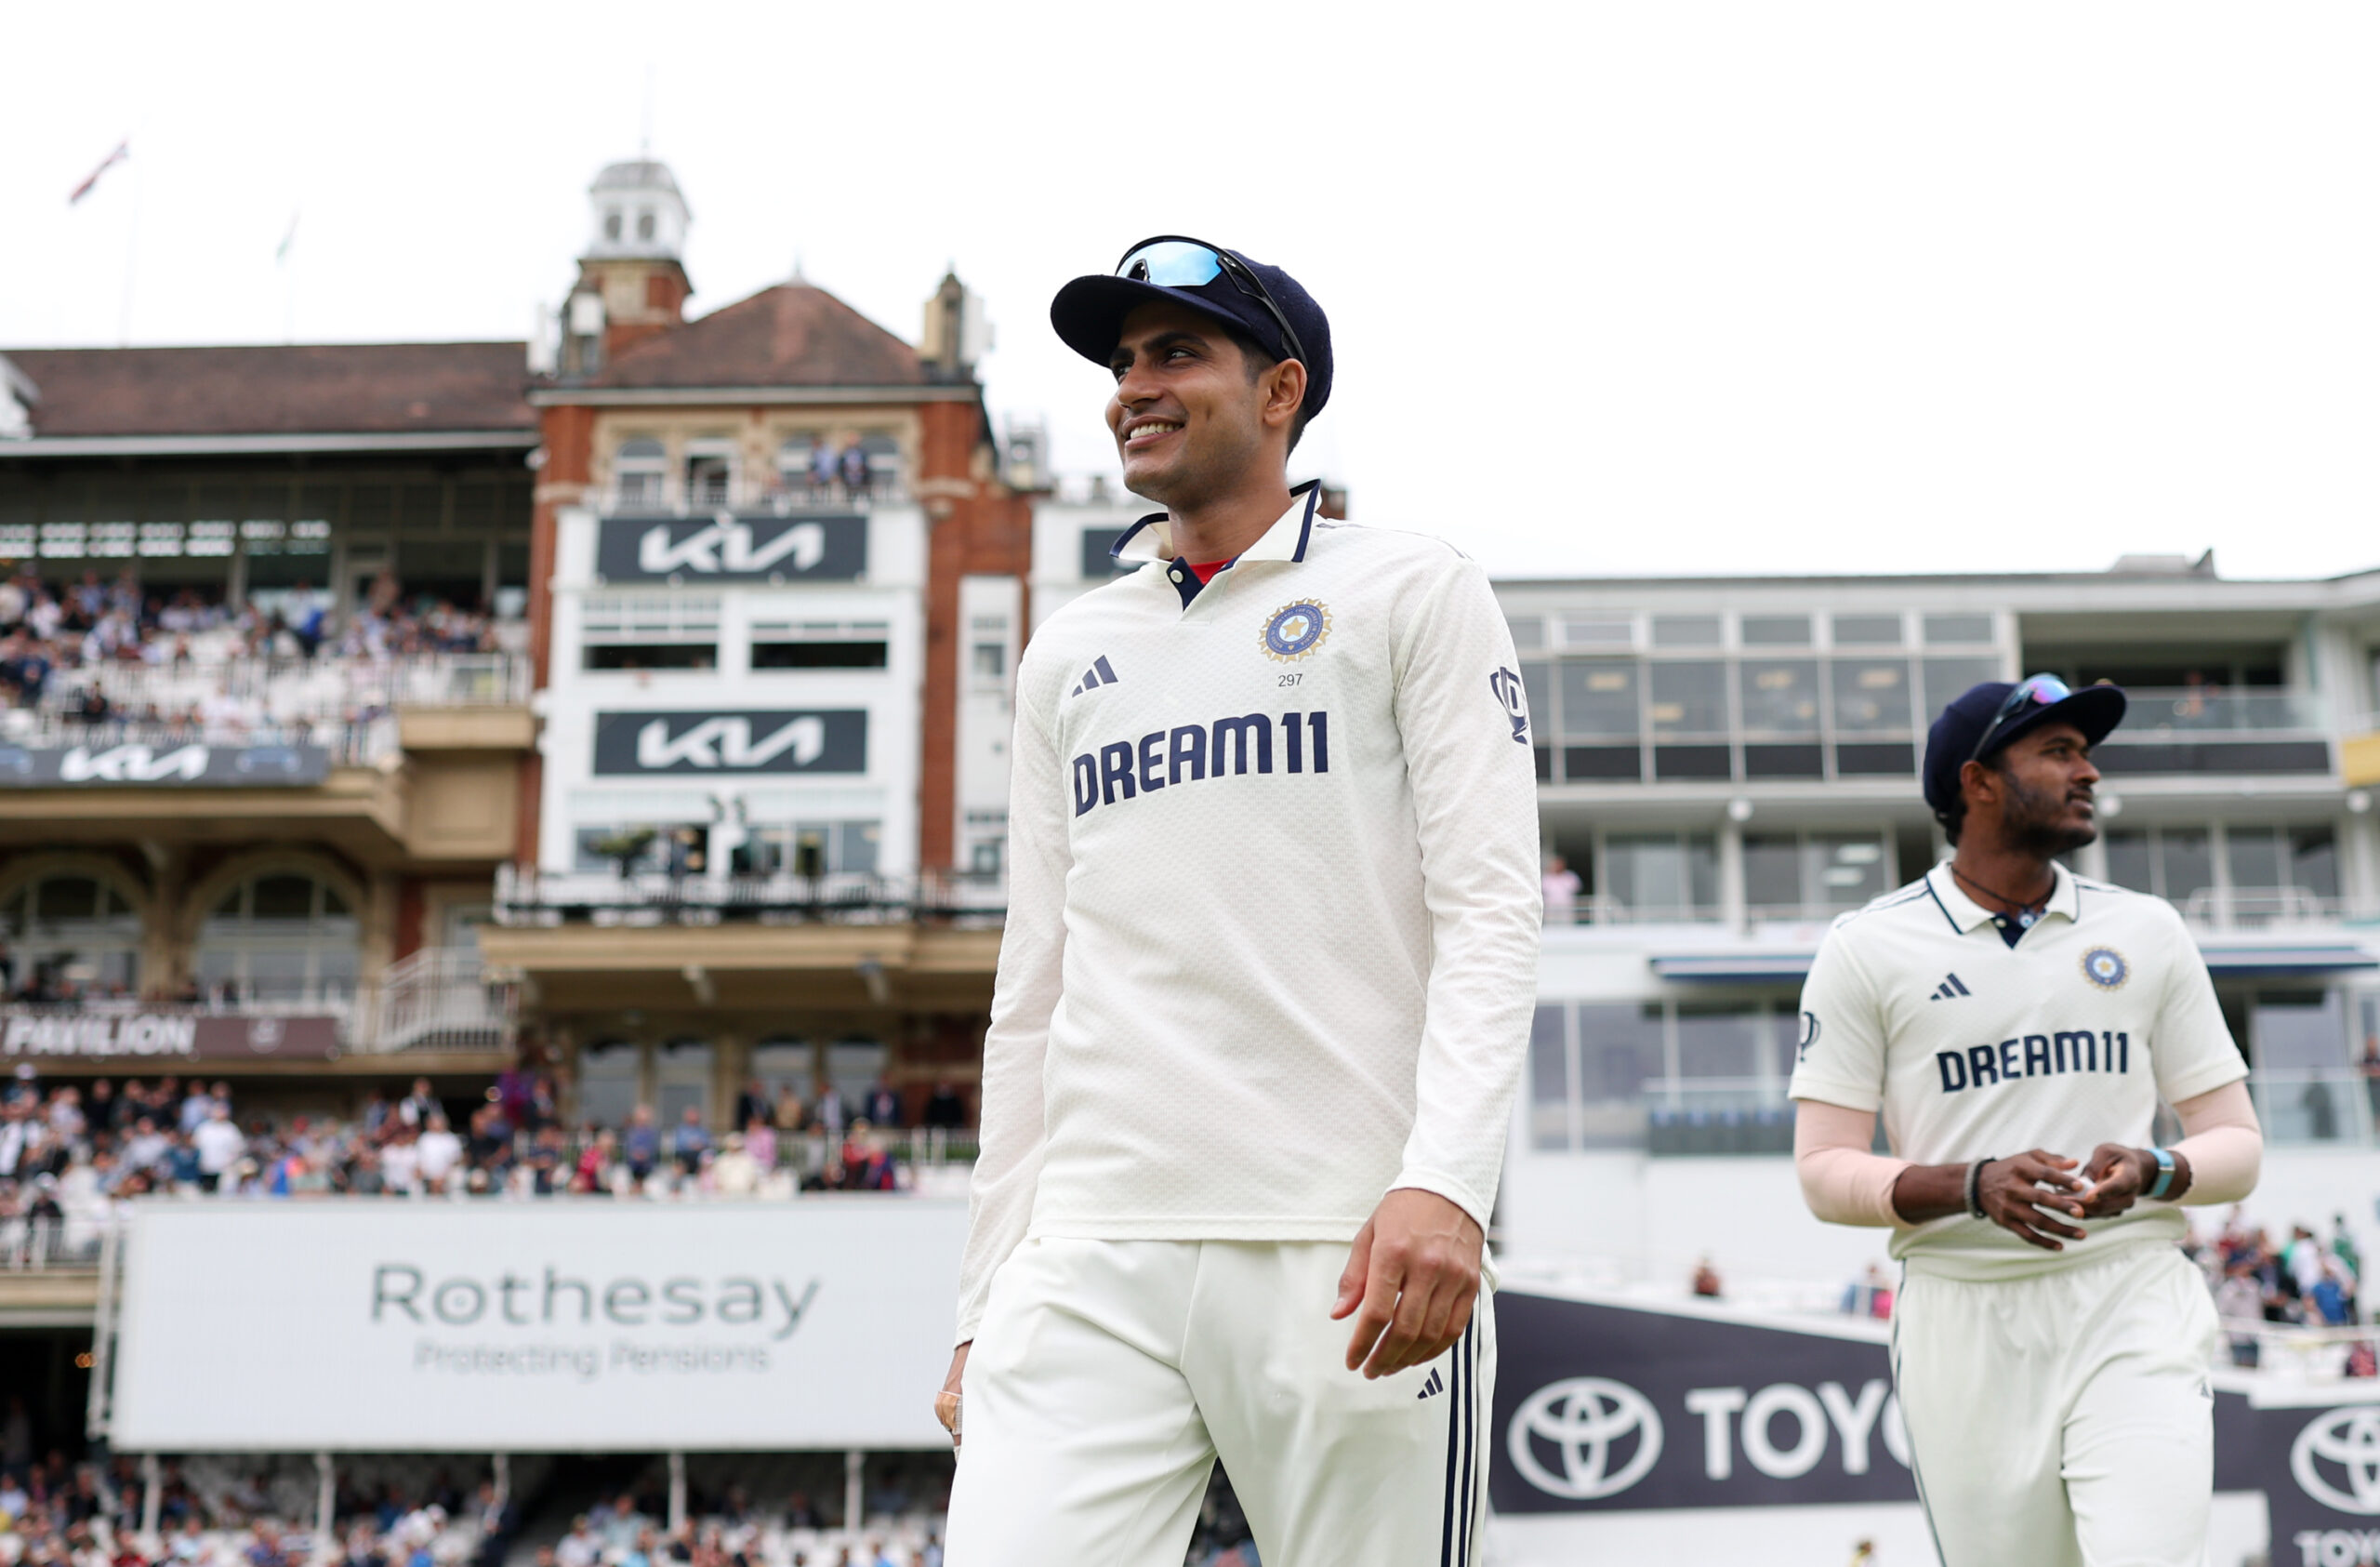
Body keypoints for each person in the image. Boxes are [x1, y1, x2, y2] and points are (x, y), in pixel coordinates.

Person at [940, 235, 1540, 1564]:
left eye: (1175, 354)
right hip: (1090, 1255)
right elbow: (1030, 995)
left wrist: (1446, 1185)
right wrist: (989, 1292)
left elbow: (1493, 914)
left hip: (1342, 1239)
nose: (1132, 386)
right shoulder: (1071, 649)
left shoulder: (1410, 590)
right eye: (1121, 361)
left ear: (1281, 392)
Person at [1788, 674, 2264, 1566]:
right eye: (2058, 750)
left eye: (2085, 752)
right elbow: (1823, 1171)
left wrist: (2157, 1168)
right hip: (1961, 1320)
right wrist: (1974, 1184)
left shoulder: (2148, 930)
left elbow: (2237, 1145)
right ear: (1978, 782)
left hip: (2130, 1293)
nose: (2087, 771)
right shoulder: (1868, 945)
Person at [1540, 854, 1582, 926]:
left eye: (1560, 864)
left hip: (1567, 908)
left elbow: (1577, 888)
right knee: (1551, 926)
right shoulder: (1546, 878)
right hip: (1551, 908)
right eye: (1556, 864)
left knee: (1567, 926)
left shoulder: (1570, 876)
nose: (1558, 866)